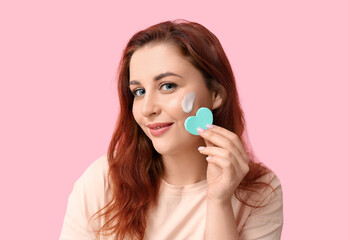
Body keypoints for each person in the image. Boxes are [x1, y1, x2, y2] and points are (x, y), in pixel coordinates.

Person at [59, 19, 283, 240]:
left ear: (215, 95)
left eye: (167, 86)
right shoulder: (103, 181)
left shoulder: (260, 192)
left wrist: (219, 202)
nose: (147, 109)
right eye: (139, 91)